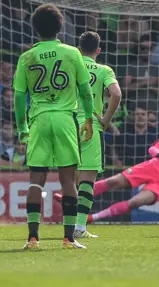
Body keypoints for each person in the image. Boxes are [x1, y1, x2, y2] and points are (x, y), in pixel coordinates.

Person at [13, 4, 95, 250]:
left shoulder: (26, 57)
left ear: (35, 28)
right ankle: (69, 239)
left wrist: (22, 128)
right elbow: (85, 90)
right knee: (68, 181)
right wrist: (89, 118)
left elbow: (19, 97)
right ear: (61, 26)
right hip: (64, 119)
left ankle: (32, 238)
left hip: (39, 120)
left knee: (36, 180)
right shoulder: (72, 53)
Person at [67, 110, 159, 224]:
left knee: (135, 202)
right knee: (113, 181)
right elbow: (153, 148)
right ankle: (71, 197)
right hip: (152, 167)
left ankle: (93, 218)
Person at [54, 31, 121, 239]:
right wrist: (106, 120)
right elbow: (116, 94)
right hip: (92, 126)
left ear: (78, 48)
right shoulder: (104, 70)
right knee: (87, 180)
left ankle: (69, 226)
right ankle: (80, 227)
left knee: (69, 180)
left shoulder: (69, 66)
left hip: (68, 124)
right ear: (98, 50)